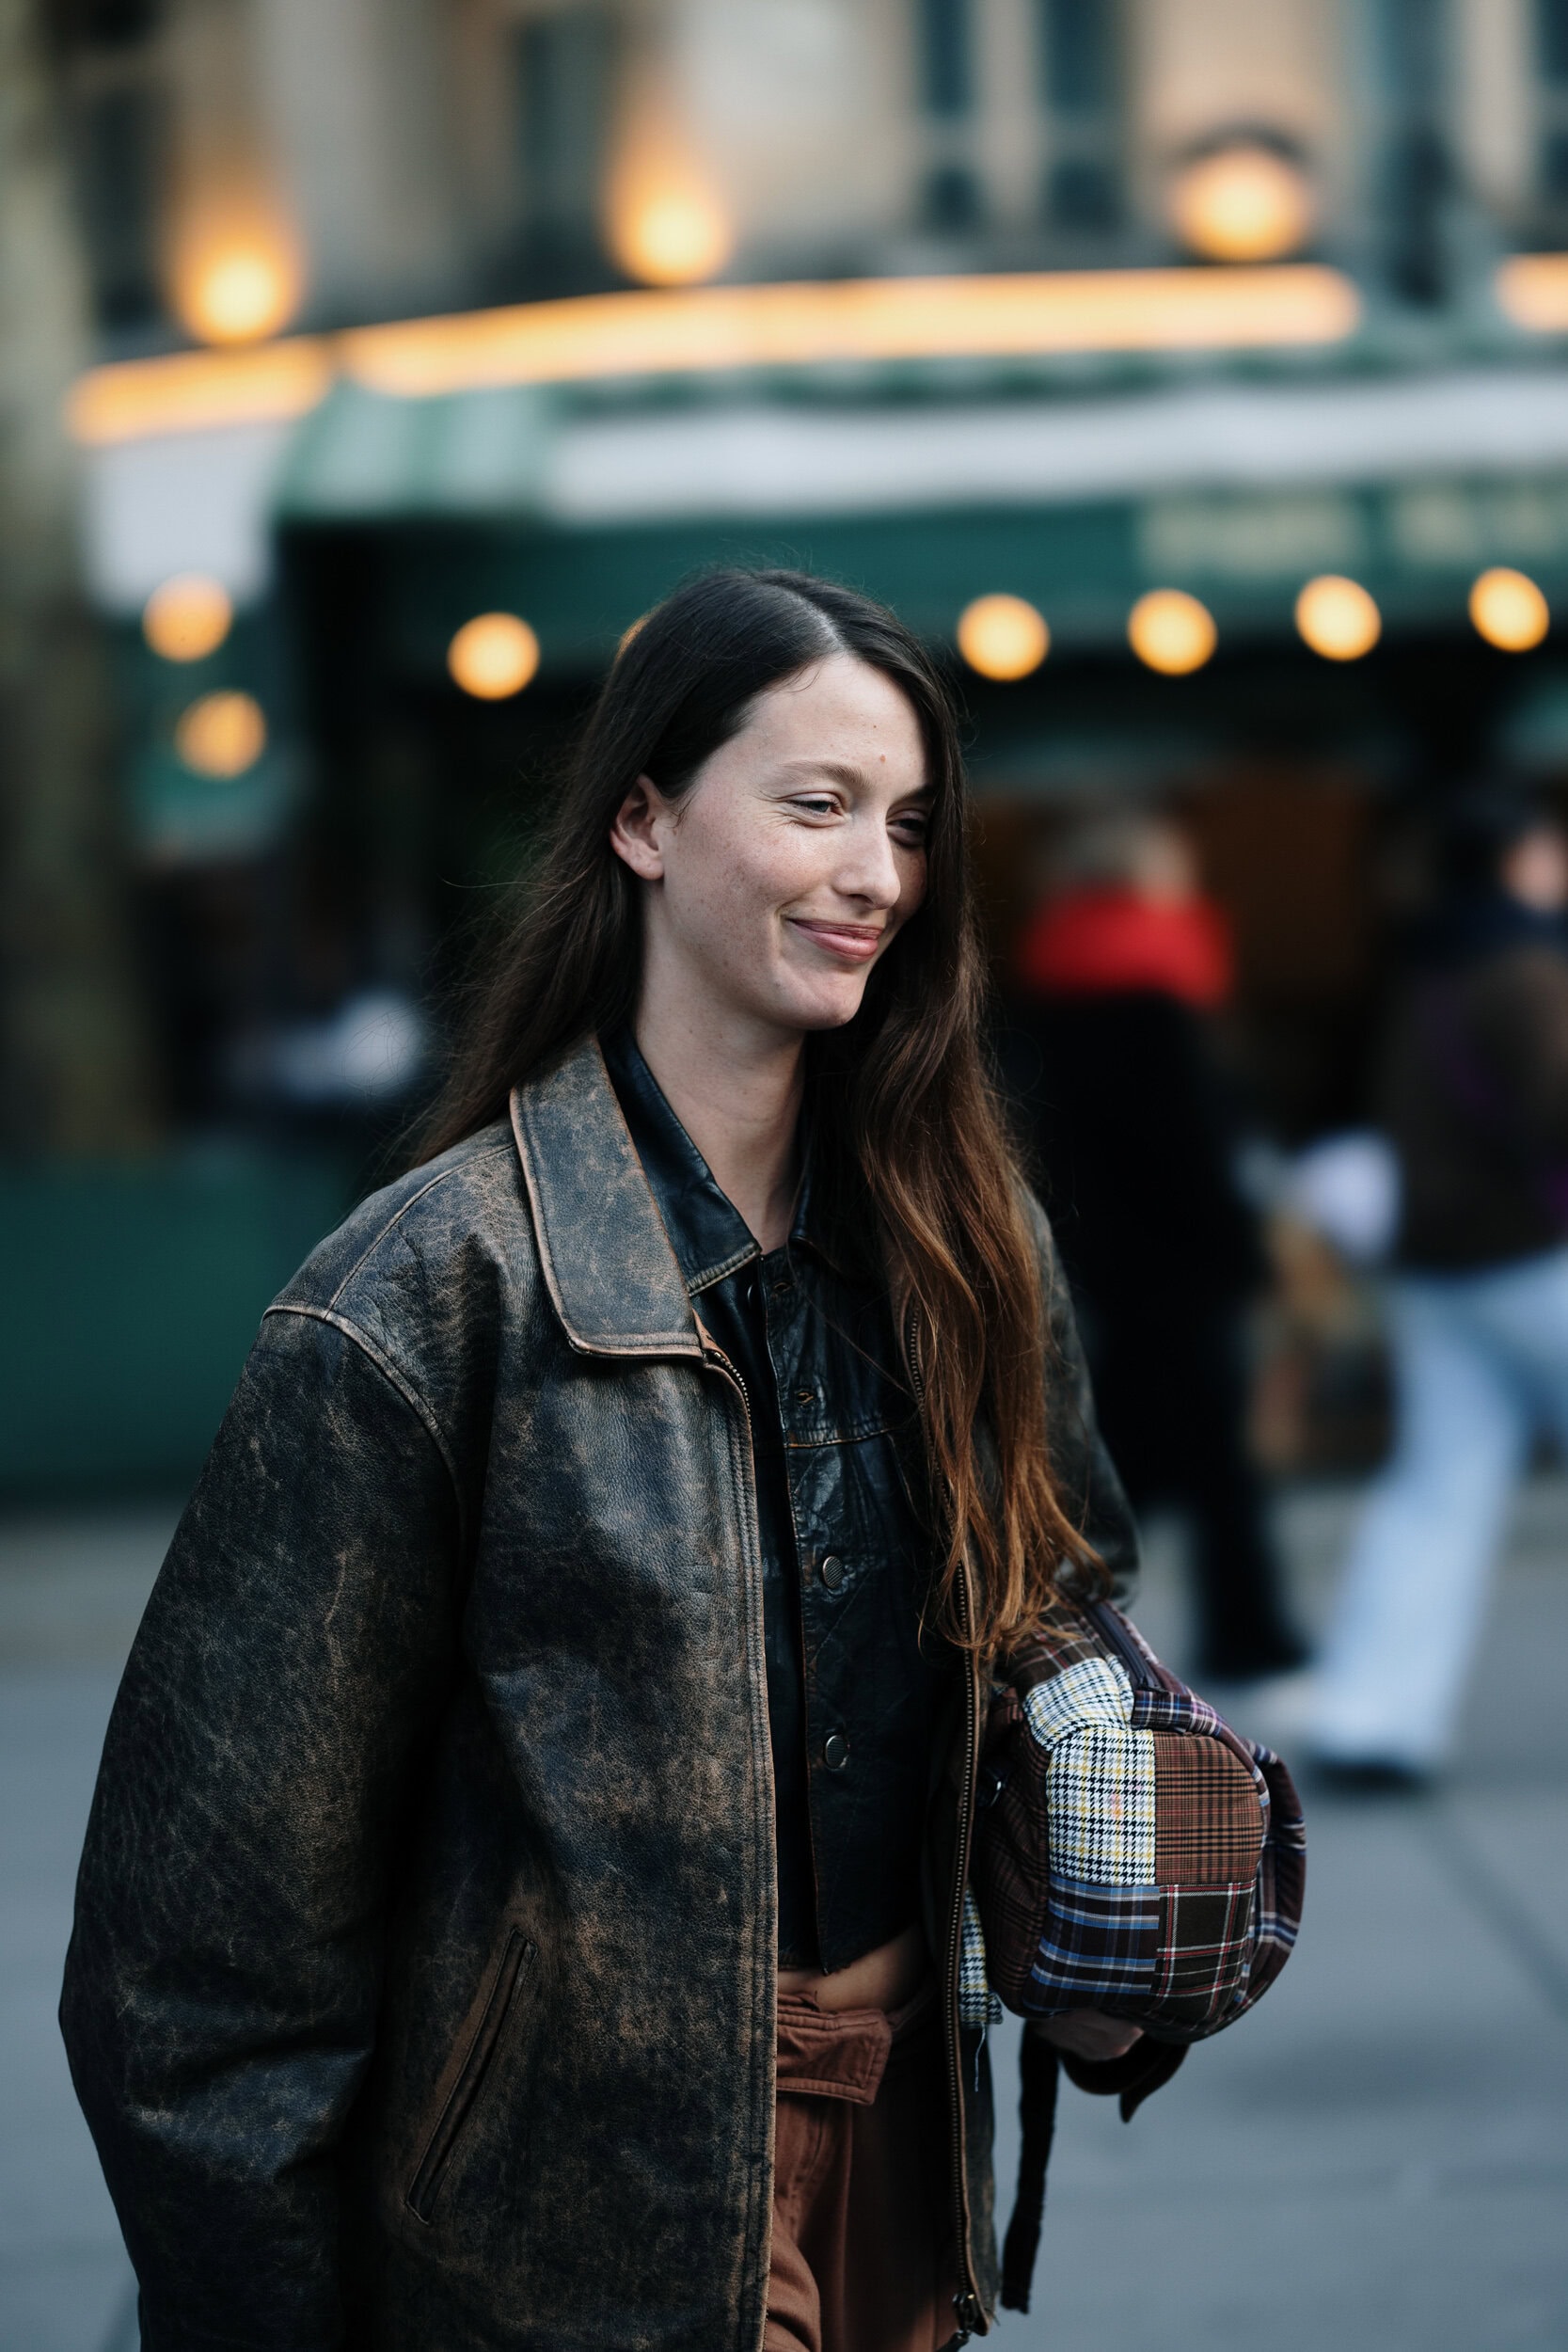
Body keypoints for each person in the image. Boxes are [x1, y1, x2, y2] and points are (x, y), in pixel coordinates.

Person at [61, 570, 1168, 2352]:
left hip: (903, 2157)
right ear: (642, 819)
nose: (877, 872)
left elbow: (1062, 1591)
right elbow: (203, 1963)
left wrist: (1098, 1883)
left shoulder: (973, 1243)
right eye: (813, 805)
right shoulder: (426, 1298)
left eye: (904, 822)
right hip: (562, 2222)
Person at [1002, 813, 1307, 1686]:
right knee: (1212, 1468)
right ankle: (1242, 1630)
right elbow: (1196, 1153)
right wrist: (1246, 1255)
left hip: (1100, 1270)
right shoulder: (1159, 986)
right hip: (1182, 1271)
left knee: (1121, 1463)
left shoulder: (1045, 989)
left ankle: (1065, 1634)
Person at [1310, 786, 1568, 1785]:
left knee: (1432, 1493)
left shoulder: (1418, 973)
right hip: (1533, 1258)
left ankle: (1371, 1714)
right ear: (1513, 863)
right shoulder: (1525, 969)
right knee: (1435, 1487)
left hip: (1435, 1271)